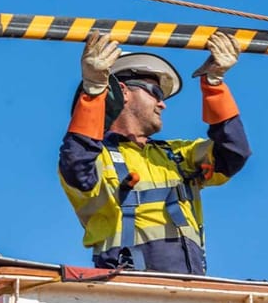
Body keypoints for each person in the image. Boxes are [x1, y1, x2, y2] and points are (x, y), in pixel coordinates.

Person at [59, 30, 251, 275]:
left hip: (190, 285)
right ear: (123, 91)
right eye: (156, 93)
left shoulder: (177, 155)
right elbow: (76, 164)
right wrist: (95, 91)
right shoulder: (99, 157)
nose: (163, 104)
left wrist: (214, 84)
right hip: (128, 286)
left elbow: (233, 152)